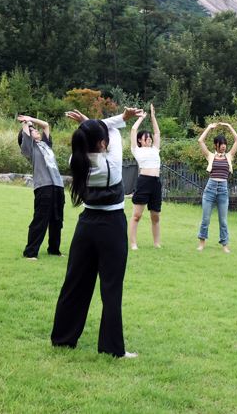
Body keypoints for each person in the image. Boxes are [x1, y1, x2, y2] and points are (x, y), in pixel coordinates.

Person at [51, 107, 143, 358]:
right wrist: (119, 119)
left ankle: (62, 337)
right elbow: (110, 131)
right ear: (102, 143)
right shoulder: (112, 161)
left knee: (75, 283)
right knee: (111, 288)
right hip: (111, 225)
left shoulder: (76, 160)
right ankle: (112, 349)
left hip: (86, 225)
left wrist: (88, 123)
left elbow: (100, 131)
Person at [17, 115, 64, 259]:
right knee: (40, 219)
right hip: (44, 186)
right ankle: (30, 252)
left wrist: (31, 118)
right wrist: (26, 123)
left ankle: (54, 250)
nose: (36, 130)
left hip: (58, 185)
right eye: (33, 131)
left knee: (57, 220)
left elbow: (46, 125)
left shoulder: (45, 144)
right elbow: (25, 133)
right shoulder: (30, 148)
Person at [196, 122, 237, 253]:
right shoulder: (210, 156)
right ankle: (202, 243)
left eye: (225, 144)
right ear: (216, 145)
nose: (224, 146)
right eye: (221, 144)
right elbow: (200, 141)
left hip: (223, 190)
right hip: (210, 189)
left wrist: (229, 126)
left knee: (223, 220)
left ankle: (225, 245)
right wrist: (209, 128)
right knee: (205, 219)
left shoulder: (229, 156)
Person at [129, 104, 162, 250]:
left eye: (149, 137)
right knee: (137, 215)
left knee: (155, 217)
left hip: (156, 183)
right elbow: (133, 130)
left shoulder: (155, 149)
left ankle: (156, 243)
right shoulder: (137, 150)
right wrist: (141, 118)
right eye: (146, 137)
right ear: (140, 140)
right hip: (144, 182)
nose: (149, 138)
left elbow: (157, 132)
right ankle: (133, 243)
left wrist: (153, 116)